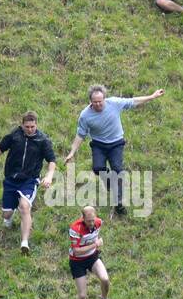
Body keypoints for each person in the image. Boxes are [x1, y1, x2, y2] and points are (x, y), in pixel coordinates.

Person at [64, 85, 164, 214]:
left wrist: (152, 96)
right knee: (97, 168)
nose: (98, 104)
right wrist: (72, 152)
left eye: (100, 101)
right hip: (98, 144)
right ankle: (111, 184)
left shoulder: (114, 103)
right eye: (95, 102)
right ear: (90, 101)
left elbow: (133, 101)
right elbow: (80, 135)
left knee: (117, 170)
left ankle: (119, 203)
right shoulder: (85, 116)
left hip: (116, 143)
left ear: (105, 99)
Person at [0, 111, 56, 254]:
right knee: (7, 214)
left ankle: (24, 242)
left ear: (36, 125)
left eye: (32, 127)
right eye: (27, 126)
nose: (30, 129)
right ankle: (9, 217)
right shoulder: (15, 135)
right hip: (11, 178)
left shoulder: (42, 140)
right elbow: (0, 147)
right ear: (22, 125)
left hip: (30, 179)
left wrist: (49, 176)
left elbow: (51, 160)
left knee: (24, 206)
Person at [68, 206, 115, 299]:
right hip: (77, 261)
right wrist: (95, 245)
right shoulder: (75, 229)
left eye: (93, 220)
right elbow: (77, 251)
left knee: (105, 279)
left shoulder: (98, 222)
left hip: (92, 257)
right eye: (89, 221)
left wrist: (95, 245)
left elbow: (95, 235)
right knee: (82, 295)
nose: (92, 223)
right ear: (82, 218)